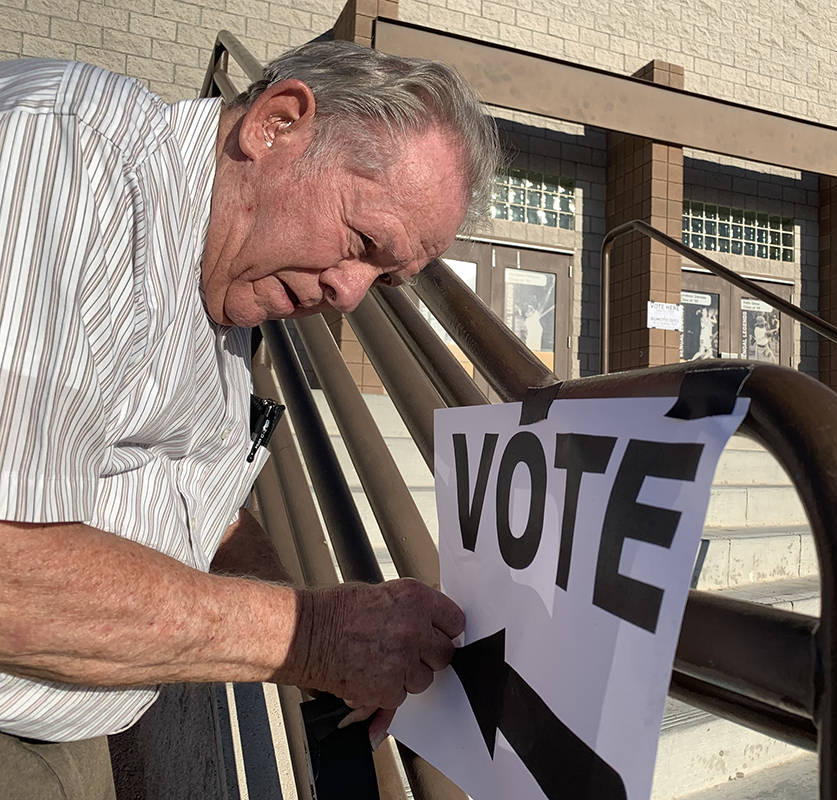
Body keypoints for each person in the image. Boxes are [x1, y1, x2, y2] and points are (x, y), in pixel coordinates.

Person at [0, 40, 500, 798]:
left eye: (385, 278)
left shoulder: (225, 289)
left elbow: (188, 498)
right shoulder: (65, 162)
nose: (351, 294)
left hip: (66, 715)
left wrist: (324, 641)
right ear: (275, 123)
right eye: (363, 242)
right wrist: (314, 639)